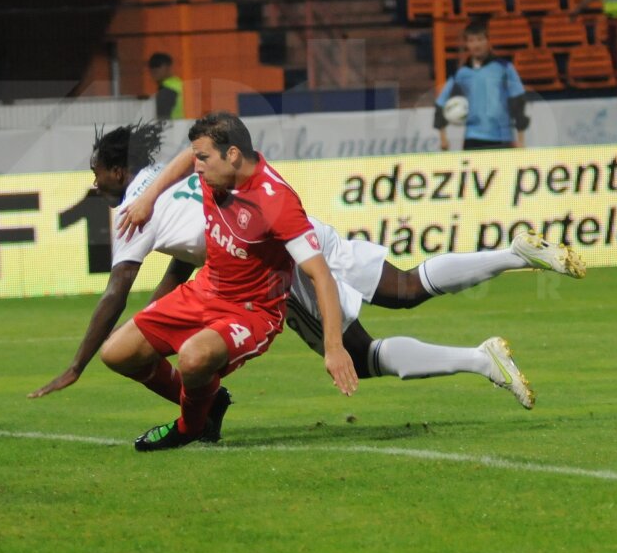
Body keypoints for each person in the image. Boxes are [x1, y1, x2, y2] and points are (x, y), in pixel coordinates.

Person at [31, 122, 585, 412]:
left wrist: (78, 365)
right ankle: (515, 253)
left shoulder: (135, 208)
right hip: (297, 227)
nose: (93, 184)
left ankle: (480, 360)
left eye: (96, 174)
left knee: (361, 356)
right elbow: (185, 258)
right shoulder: (169, 177)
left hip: (270, 264)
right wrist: (163, 311)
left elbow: (113, 293)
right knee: (407, 286)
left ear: (113, 168)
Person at [98, 112, 358, 452]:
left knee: (192, 358)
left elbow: (320, 276)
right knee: (116, 354)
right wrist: (148, 198)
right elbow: (188, 157)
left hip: (252, 311)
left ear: (232, 154)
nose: (198, 168)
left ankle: (189, 426)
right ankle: (211, 399)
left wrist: (334, 347)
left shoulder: (275, 201)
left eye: (204, 159)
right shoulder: (215, 171)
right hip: (205, 290)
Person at [434, 20, 530, 151]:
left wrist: (521, 140)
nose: (476, 45)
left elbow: (518, 102)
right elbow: (441, 103)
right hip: (473, 139)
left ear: (488, 41)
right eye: (471, 41)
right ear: (467, 44)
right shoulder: (462, 73)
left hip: (502, 138)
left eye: (480, 39)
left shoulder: (504, 68)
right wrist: (443, 138)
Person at [147, 52, 184, 120]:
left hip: (174, 127)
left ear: (168, 67)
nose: (154, 69)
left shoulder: (168, 89)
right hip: (183, 125)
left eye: (157, 65)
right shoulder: (178, 83)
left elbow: (162, 118)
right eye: (151, 66)